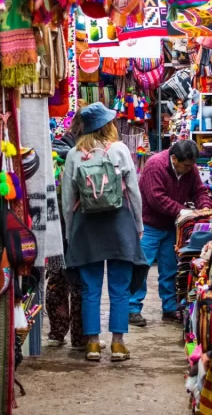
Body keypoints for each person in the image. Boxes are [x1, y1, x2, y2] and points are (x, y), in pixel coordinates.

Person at [61, 102, 146, 362]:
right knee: (119, 288)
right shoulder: (120, 150)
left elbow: (67, 199)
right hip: (119, 224)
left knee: (90, 289)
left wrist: (70, 231)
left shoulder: (74, 154)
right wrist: (138, 225)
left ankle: (93, 344)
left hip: (87, 226)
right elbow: (133, 191)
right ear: (107, 125)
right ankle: (118, 344)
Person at [129, 139, 212, 327]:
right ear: (174, 158)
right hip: (149, 225)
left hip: (171, 226)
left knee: (170, 270)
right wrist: (184, 211)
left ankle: (169, 307)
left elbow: (199, 191)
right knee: (141, 267)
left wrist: (206, 209)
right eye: (185, 165)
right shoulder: (155, 166)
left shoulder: (189, 168)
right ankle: (132, 309)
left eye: (191, 166)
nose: (188, 169)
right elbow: (156, 198)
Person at [45, 108, 85, 348]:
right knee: (79, 284)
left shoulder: (56, 150)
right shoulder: (78, 154)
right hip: (76, 228)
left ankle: (57, 332)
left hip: (56, 229)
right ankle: (80, 337)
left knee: (57, 281)